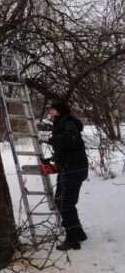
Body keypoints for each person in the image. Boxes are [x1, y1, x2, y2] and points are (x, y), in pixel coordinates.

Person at [43, 100, 89, 251]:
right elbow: (66, 149)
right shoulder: (60, 123)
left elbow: (71, 139)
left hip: (74, 169)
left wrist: (51, 140)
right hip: (68, 168)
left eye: (52, 110)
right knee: (61, 201)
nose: (50, 112)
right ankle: (79, 232)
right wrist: (52, 160)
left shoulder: (68, 122)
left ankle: (72, 239)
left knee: (65, 203)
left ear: (59, 111)